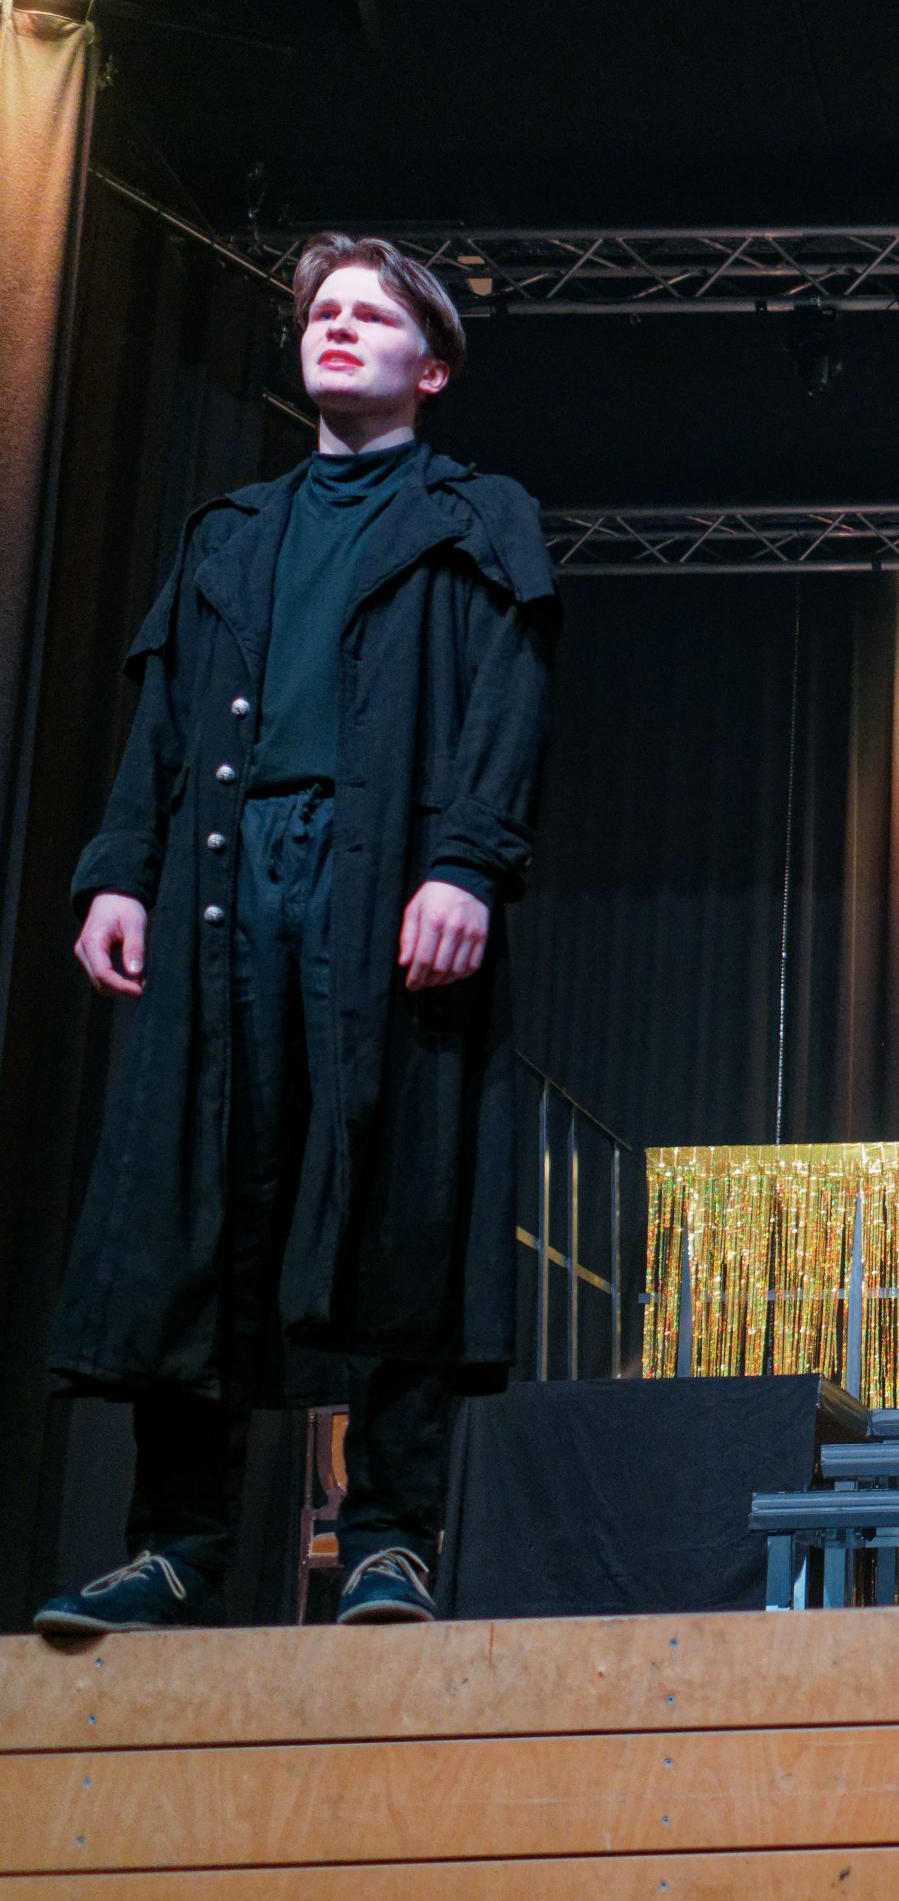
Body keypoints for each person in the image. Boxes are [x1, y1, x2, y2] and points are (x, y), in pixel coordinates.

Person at [36, 234, 558, 1633]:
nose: (336, 326)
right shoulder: (232, 532)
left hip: (387, 878)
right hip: (223, 883)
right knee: (198, 1193)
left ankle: (389, 1540)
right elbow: (163, 720)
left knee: (397, 1191)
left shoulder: (478, 515)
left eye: (372, 315)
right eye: (322, 310)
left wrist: (466, 864)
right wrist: (118, 872)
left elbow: (509, 702)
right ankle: (176, 1544)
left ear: (431, 367)